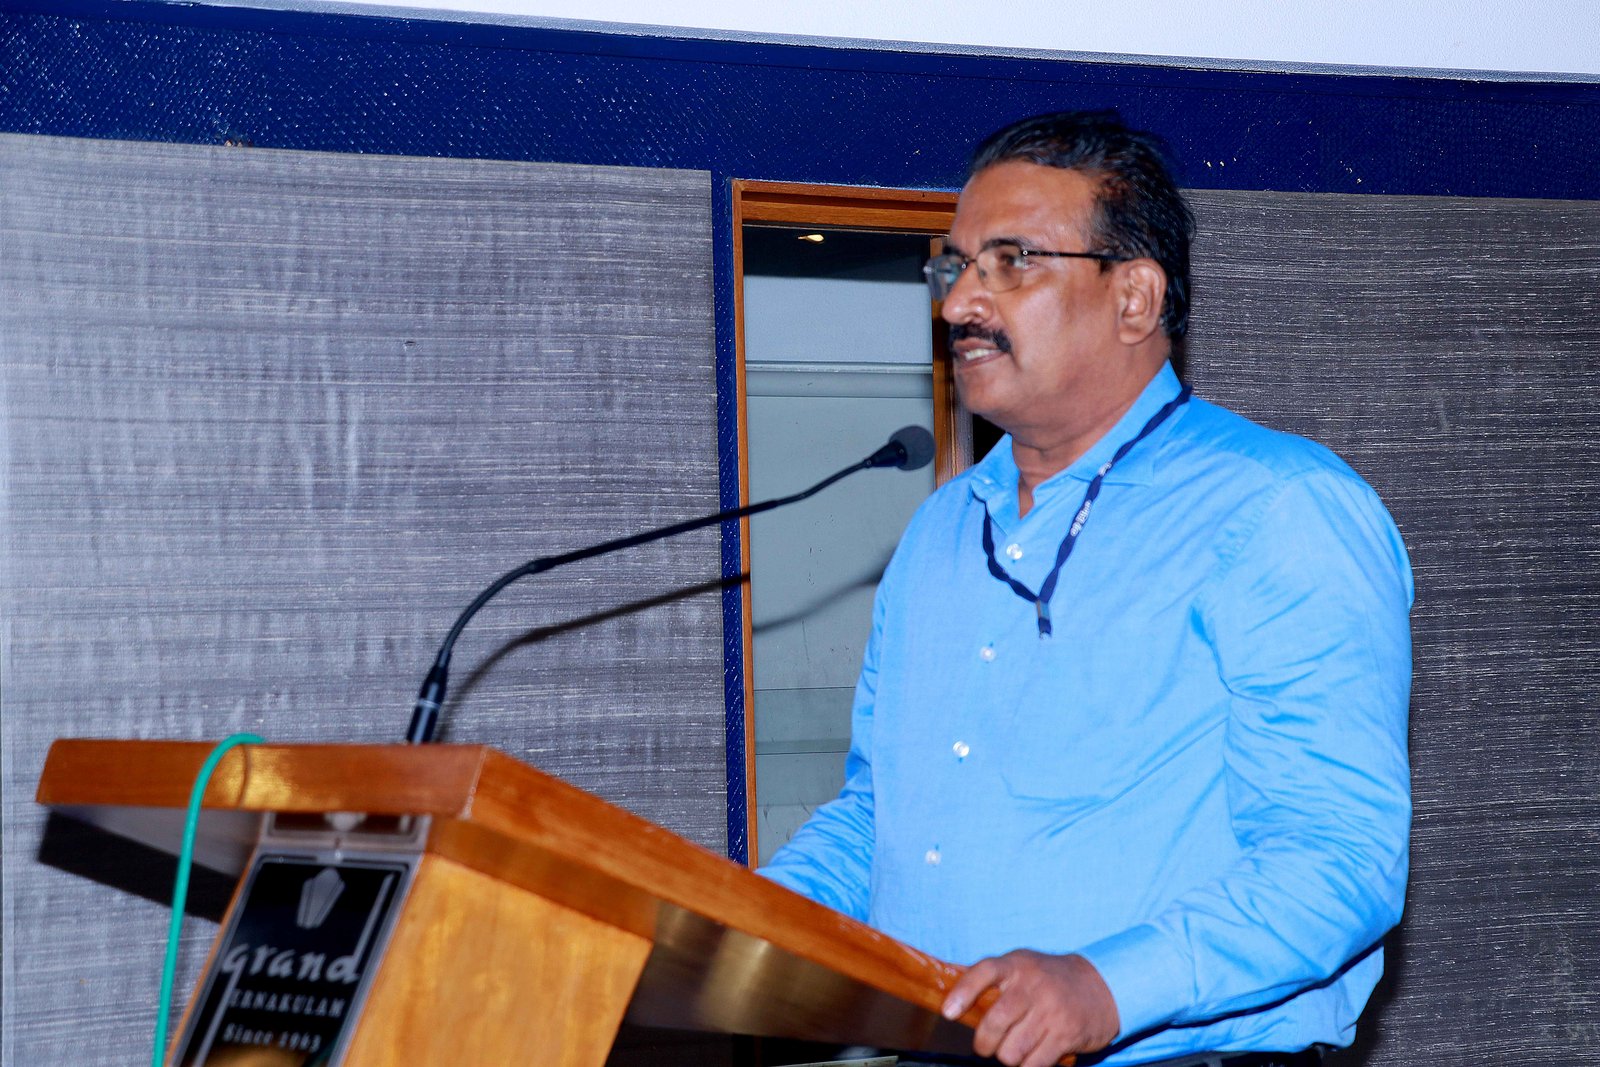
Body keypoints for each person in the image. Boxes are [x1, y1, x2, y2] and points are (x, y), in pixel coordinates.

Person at [759, 111, 1413, 1067]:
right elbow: (878, 814)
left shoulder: (1280, 510)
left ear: (1135, 298)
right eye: (955, 267)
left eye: (1011, 262)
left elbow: (1340, 857)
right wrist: (754, 919)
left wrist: (1105, 985)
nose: (960, 304)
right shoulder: (941, 530)